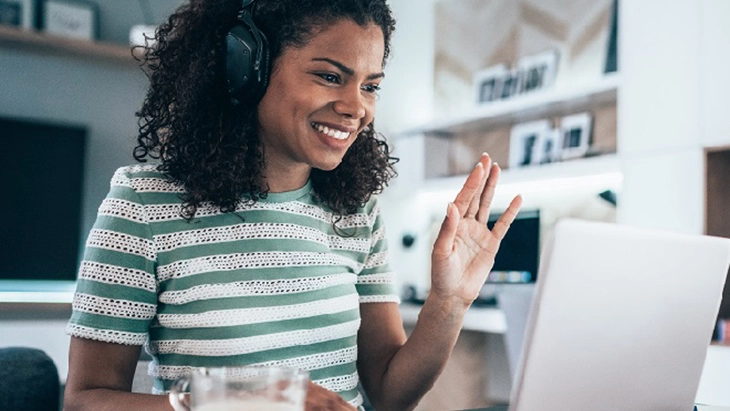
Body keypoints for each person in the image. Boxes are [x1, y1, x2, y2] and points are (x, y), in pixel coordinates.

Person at [62, 0, 522, 410]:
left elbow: (389, 393)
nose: (356, 107)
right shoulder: (144, 205)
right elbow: (85, 400)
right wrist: (243, 400)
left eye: (370, 86)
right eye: (329, 77)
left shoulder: (356, 212)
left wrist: (449, 303)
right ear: (248, 69)